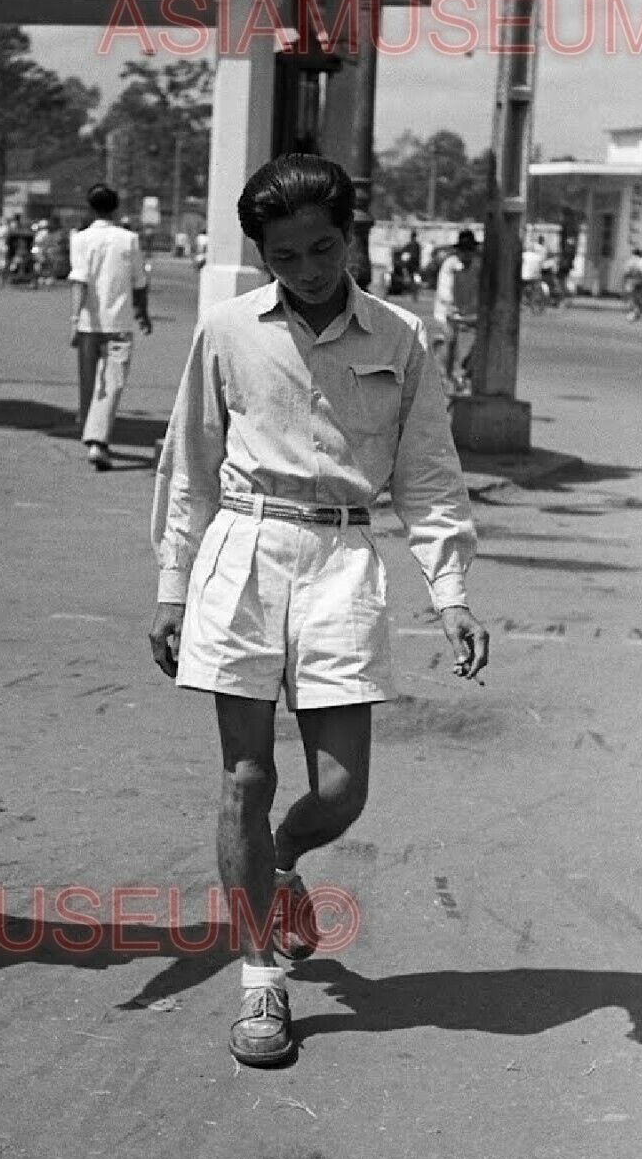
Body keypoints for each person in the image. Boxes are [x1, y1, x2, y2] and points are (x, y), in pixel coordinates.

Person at [149, 154, 488, 1068]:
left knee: (341, 791)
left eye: (323, 247)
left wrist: (448, 593)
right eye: (284, 255)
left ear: (353, 236)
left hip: (343, 558)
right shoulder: (226, 332)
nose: (306, 269)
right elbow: (188, 465)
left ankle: (286, 859)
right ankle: (261, 981)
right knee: (245, 780)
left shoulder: (401, 335)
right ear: (259, 253)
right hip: (244, 554)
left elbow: (427, 474)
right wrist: (173, 584)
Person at [69, 183, 152, 471]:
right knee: (111, 382)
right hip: (119, 323)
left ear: (90, 208)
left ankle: (89, 430)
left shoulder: (80, 239)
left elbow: (79, 281)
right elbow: (140, 282)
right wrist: (143, 313)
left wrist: (74, 320)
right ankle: (97, 440)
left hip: (89, 323)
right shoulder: (129, 239)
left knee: (90, 381)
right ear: (115, 208)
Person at [432, 228, 480, 388]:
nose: (467, 254)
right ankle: (446, 375)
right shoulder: (450, 265)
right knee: (451, 338)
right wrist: (453, 311)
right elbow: (445, 292)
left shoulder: (476, 265)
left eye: (469, 251)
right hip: (447, 310)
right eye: (464, 250)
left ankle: (465, 371)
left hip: (468, 312)